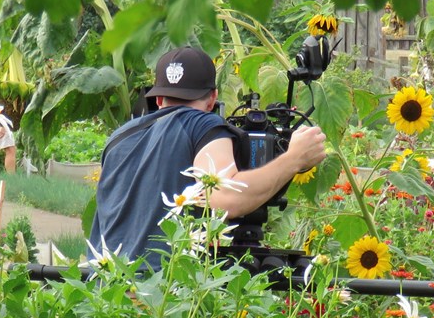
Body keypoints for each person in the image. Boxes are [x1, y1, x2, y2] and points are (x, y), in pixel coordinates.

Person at [89, 46, 328, 268]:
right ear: (212, 98)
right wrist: (294, 158)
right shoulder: (203, 124)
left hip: (104, 288)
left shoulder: (118, 137)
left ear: (159, 99)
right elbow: (225, 199)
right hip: (155, 293)